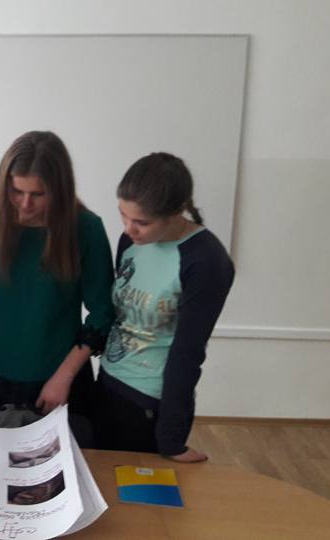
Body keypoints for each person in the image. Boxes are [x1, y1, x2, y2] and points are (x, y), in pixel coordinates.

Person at [94, 152, 235, 462]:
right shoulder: (131, 242)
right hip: (107, 383)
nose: (128, 229)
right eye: (123, 216)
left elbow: (188, 352)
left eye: (141, 222)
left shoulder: (206, 261)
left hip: (149, 401)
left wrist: (171, 440)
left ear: (175, 213)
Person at [0, 131, 115, 419]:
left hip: (60, 381)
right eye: (16, 191)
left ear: (60, 190)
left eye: (38, 194)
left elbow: (103, 312)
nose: (25, 204)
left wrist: (64, 377)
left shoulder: (86, 229)